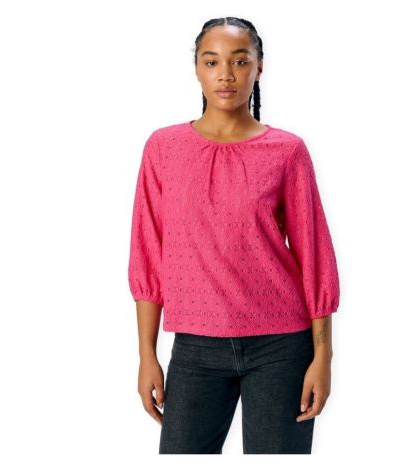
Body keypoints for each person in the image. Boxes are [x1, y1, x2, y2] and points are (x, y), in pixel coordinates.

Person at [127, 16, 340, 454]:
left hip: (282, 347)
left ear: (259, 67)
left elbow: (314, 256)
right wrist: (147, 355)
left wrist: (324, 356)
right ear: (197, 69)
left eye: (240, 61)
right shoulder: (163, 148)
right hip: (195, 349)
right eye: (212, 61)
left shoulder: (287, 151)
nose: (226, 74)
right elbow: (148, 254)